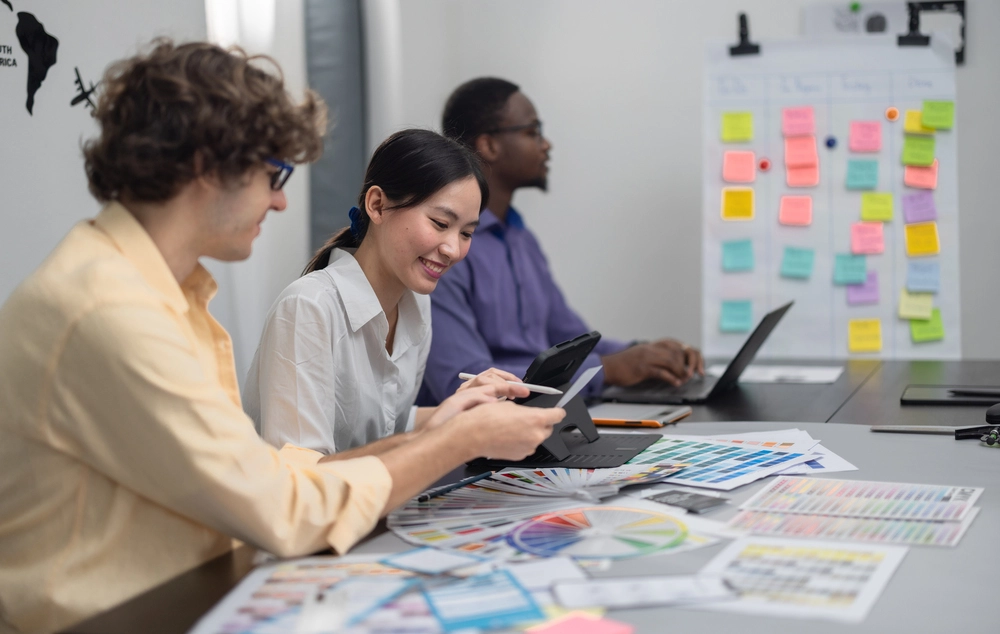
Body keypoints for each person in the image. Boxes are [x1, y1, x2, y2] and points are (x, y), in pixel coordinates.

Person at [0, 42, 563, 634]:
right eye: (273, 174)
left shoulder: (152, 289)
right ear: (205, 166)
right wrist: (456, 438)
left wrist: (444, 424)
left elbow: (280, 479)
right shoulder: (109, 308)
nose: (280, 198)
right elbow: (286, 508)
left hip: (197, 598)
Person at [418, 77, 705, 405]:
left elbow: (572, 342)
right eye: (532, 131)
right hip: (489, 435)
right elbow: (464, 380)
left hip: (546, 415)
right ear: (489, 146)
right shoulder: (446, 253)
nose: (547, 144)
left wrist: (647, 354)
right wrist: (607, 369)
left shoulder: (522, 241)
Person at [243, 128, 526, 454]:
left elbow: (391, 425)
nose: (453, 249)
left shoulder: (417, 304)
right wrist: (442, 432)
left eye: (467, 233)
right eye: (439, 223)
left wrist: (465, 408)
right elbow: (301, 477)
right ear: (377, 205)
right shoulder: (308, 308)